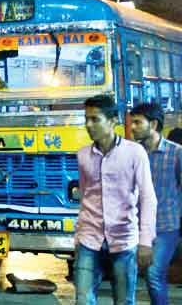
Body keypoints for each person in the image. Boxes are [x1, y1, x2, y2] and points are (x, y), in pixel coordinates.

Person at [73, 95, 156, 305]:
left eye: (95, 119)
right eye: (86, 119)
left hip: (124, 240)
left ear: (112, 121)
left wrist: (145, 242)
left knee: (124, 301)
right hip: (89, 239)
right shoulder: (83, 155)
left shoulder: (135, 153)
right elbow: (85, 195)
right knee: (83, 299)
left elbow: (148, 197)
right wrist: (78, 236)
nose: (89, 125)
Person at [129, 102, 182, 305]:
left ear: (153, 124)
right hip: (135, 227)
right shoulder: (133, 153)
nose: (132, 127)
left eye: (137, 122)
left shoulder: (176, 153)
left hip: (165, 226)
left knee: (154, 275)